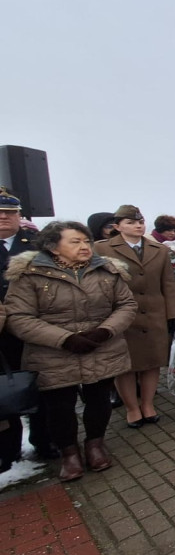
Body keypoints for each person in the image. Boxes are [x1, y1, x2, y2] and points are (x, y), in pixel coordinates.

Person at [4, 221, 137, 481]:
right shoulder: (29, 275)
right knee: (60, 406)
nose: (84, 246)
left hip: (101, 346)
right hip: (53, 352)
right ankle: (69, 453)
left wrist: (104, 331)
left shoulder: (106, 270)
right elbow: (18, 317)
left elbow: (126, 305)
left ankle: (95, 444)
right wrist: (65, 339)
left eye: (86, 241)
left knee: (99, 400)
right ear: (53, 247)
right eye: (74, 242)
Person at [94, 205, 175, 428]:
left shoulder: (158, 249)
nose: (137, 225)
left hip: (154, 313)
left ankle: (148, 404)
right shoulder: (102, 249)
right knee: (126, 365)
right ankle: (132, 408)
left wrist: (173, 313)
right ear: (117, 226)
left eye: (140, 222)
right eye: (130, 222)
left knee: (153, 362)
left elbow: (168, 284)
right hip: (121, 316)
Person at [0, 187, 57, 470]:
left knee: (42, 386)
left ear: (19, 215)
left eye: (10, 212)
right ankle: (8, 450)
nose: (4, 217)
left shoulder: (36, 243)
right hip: (1, 334)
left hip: (37, 326)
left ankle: (44, 440)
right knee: (4, 390)